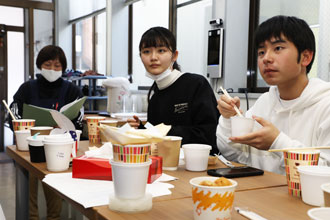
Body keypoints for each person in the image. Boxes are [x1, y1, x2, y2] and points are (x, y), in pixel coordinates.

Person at [216, 15, 330, 175]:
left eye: (278, 48)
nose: (266, 59)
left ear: (305, 57)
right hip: (262, 195)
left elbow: (325, 171)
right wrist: (228, 119)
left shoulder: (325, 105)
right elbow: (235, 155)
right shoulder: (265, 102)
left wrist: (277, 142)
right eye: (261, 52)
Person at [9, 45, 83, 220]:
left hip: (59, 147)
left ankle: (54, 217)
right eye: (48, 65)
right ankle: (31, 217)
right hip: (30, 148)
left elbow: (78, 120)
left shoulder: (72, 90)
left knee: (54, 189)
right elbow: (13, 115)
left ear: (63, 68)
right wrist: (22, 126)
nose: (52, 69)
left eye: (57, 66)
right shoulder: (27, 88)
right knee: (28, 188)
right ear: (39, 65)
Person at [128, 26, 220, 154]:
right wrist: (141, 128)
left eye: (161, 50)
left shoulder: (196, 84)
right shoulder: (155, 97)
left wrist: (165, 131)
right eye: (146, 52)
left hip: (201, 162)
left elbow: (208, 134)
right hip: (168, 164)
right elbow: (156, 138)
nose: (153, 57)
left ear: (174, 55)